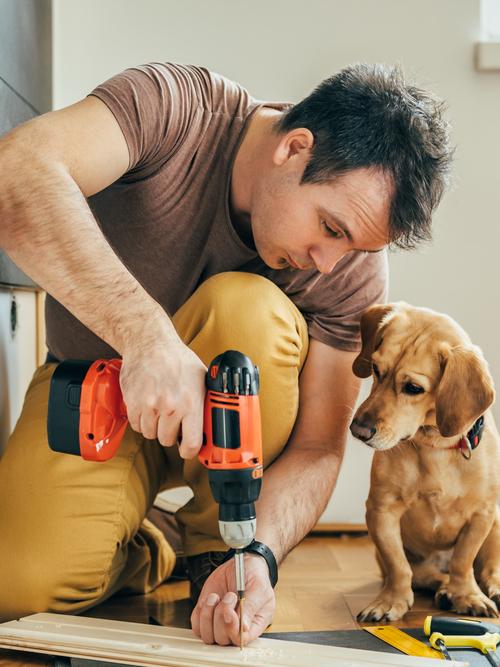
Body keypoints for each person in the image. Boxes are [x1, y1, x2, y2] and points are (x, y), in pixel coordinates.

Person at [0, 61, 451, 645]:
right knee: (21, 587)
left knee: (247, 311)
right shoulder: (173, 108)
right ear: (294, 148)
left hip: (230, 464)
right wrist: (147, 338)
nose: (329, 263)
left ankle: (218, 549)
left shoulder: (349, 268)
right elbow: (15, 174)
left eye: (355, 247)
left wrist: (259, 554)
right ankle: (155, 542)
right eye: (331, 229)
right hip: (93, 392)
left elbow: (318, 447)